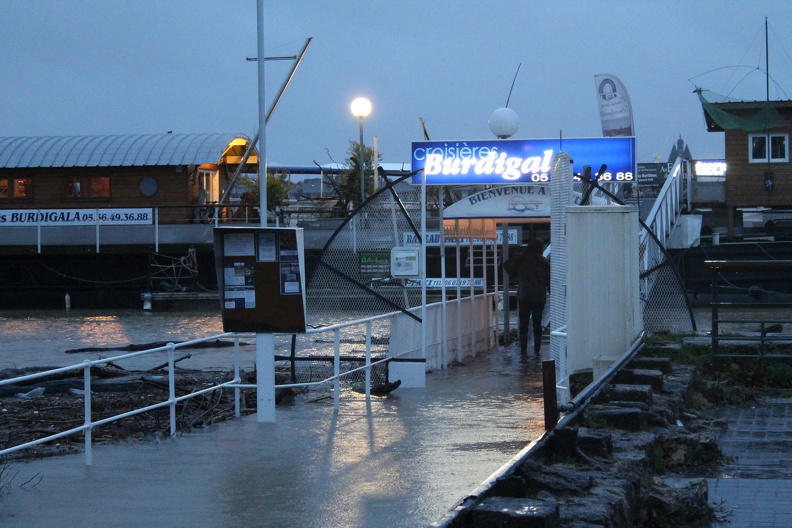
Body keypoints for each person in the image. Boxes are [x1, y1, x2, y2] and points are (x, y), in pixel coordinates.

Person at [503, 238, 550, 354]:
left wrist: (517, 276)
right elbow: (549, 280)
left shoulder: (522, 259)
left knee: (523, 323)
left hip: (524, 295)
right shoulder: (544, 262)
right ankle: (537, 349)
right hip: (539, 296)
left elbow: (507, 265)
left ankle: (523, 349)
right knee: (537, 324)